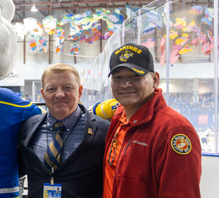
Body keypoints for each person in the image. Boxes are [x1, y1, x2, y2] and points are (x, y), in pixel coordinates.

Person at [103, 43, 201, 198]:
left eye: (135, 76)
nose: (125, 84)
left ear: (155, 79)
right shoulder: (119, 117)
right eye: (117, 77)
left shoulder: (174, 129)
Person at [19, 63, 110, 198]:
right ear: (43, 94)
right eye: (52, 89)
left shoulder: (103, 130)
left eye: (68, 87)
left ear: (79, 91)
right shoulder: (28, 127)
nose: (60, 94)